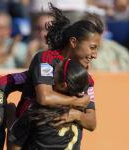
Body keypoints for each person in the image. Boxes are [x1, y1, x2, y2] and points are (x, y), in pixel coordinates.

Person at [16, 2, 104, 147]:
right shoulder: (46, 59)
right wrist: (76, 102)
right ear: (74, 42)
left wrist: (76, 114)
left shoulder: (85, 76)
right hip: (32, 142)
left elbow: (92, 122)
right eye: (92, 47)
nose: (95, 55)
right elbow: (44, 97)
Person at [8, 59, 90, 150]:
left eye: (54, 72)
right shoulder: (81, 107)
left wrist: (11, 117)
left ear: (63, 85)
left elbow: (13, 147)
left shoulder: (36, 111)